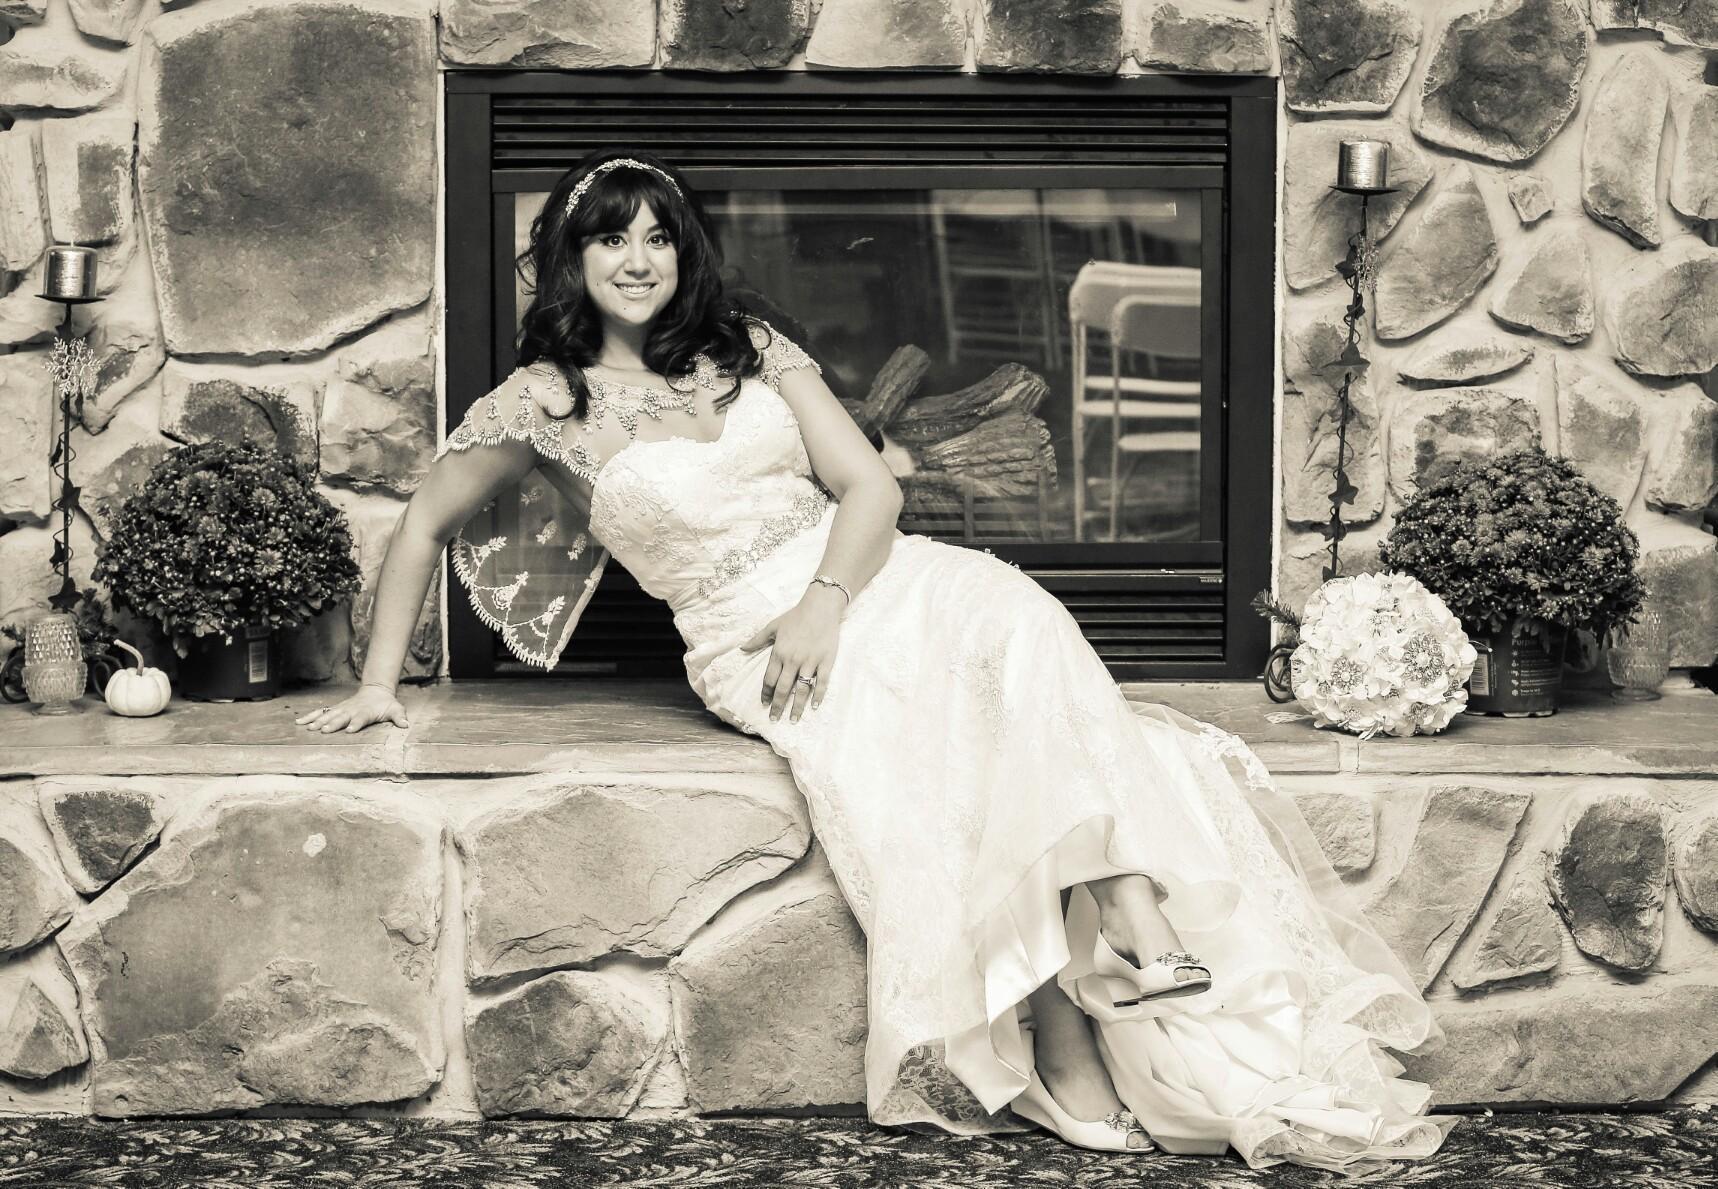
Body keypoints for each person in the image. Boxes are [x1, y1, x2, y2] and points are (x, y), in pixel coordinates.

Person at [297, 149, 1455, 1171]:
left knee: (1017, 615)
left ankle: (1127, 919)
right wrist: (378, 684)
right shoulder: (543, 404)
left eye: (657, 236)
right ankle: (1072, 1010)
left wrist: (826, 599)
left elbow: (868, 487)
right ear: (571, 257)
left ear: (683, 252)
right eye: (610, 238)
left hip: (867, 576)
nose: (637, 259)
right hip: (749, 639)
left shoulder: (748, 346)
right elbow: (424, 524)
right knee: (952, 746)